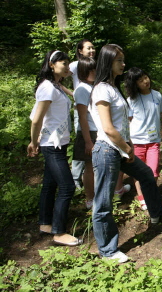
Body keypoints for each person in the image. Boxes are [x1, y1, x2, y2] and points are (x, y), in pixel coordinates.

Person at [90, 44, 162, 263]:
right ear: (108, 62)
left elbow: (123, 123)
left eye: (123, 60)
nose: (123, 64)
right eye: (119, 61)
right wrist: (127, 148)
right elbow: (108, 128)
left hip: (121, 148)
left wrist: (127, 145)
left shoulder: (113, 87)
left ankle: (156, 212)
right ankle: (108, 251)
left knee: (147, 175)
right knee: (103, 203)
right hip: (107, 150)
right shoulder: (102, 89)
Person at [27, 50, 83, 246]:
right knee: (67, 187)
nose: (67, 66)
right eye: (63, 63)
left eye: (68, 63)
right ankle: (59, 233)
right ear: (52, 65)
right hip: (51, 144)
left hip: (56, 143)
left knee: (50, 184)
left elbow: (71, 95)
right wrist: (34, 142)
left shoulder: (55, 85)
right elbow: (36, 119)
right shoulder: (48, 88)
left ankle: (45, 223)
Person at [125, 67, 162, 210]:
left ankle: (151, 193)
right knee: (138, 172)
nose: (145, 81)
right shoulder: (130, 100)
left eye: (145, 77)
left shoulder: (157, 95)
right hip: (136, 142)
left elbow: (159, 114)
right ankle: (141, 196)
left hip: (154, 140)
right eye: (140, 80)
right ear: (134, 84)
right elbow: (128, 120)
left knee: (153, 171)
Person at [69, 39, 96, 189]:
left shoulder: (93, 82)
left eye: (93, 47)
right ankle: (77, 181)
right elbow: (82, 117)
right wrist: (72, 93)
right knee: (88, 159)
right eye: (88, 48)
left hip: (94, 121)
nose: (92, 50)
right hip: (85, 120)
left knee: (92, 162)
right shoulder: (75, 66)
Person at [73, 57, 98, 209]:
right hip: (88, 132)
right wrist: (88, 141)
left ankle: (97, 195)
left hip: (97, 130)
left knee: (96, 166)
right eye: (91, 70)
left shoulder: (92, 86)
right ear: (83, 72)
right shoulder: (82, 89)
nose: (94, 72)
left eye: (95, 69)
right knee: (89, 166)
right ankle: (90, 198)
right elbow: (82, 117)